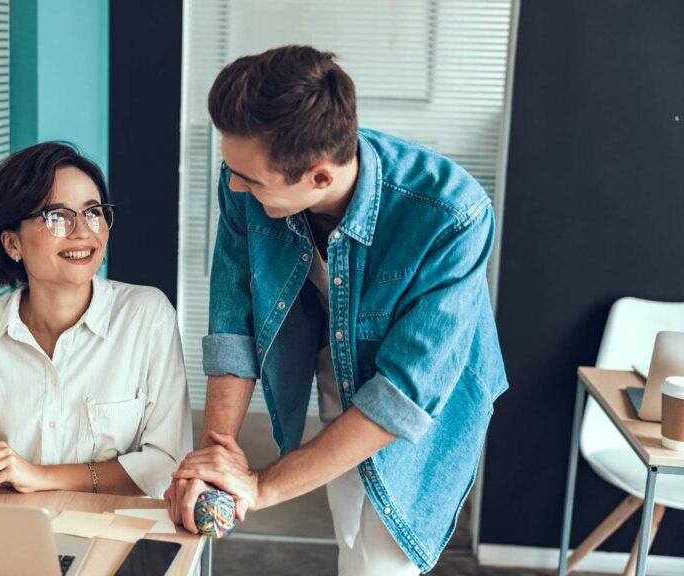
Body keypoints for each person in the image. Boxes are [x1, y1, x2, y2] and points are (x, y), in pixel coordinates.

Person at [165, 45, 508, 575]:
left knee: (381, 562)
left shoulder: (453, 215)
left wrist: (258, 486)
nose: (234, 186)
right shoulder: (245, 176)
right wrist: (218, 459)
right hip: (335, 358)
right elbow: (234, 324)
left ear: (320, 177)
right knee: (349, 526)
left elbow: (400, 399)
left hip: (425, 395)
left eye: (250, 180)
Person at [0, 142, 191, 499]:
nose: (82, 232)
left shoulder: (147, 316)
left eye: (93, 213)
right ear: (12, 244)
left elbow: (166, 466)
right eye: (57, 217)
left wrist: (41, 476)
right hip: (15, 535)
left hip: (117, 533)